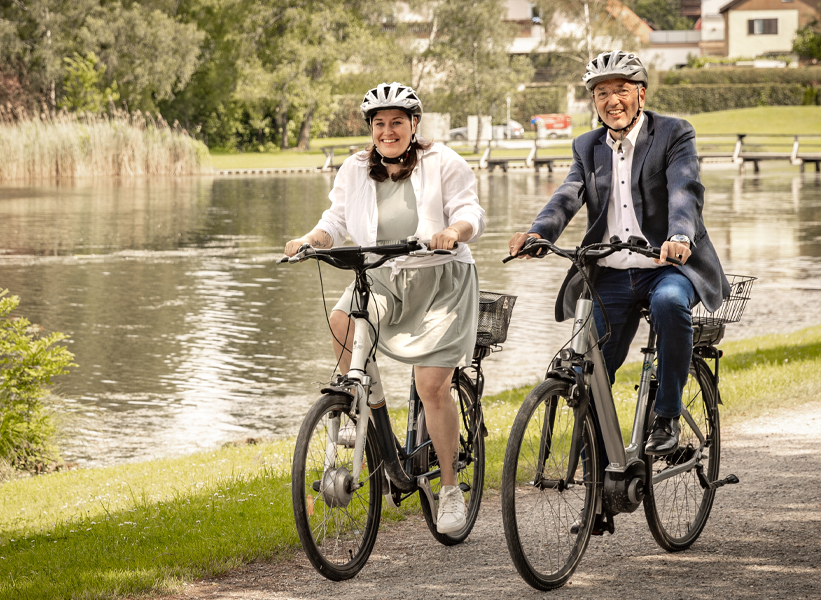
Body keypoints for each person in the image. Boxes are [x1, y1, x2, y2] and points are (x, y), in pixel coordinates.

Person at [509, 51, 730, 464]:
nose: (612, 100)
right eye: (602, 92)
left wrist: (680, 234)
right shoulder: (586, 146)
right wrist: (539, 232)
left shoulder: (673, 133)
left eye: (622, 90)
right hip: (611, 272)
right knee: (587, 372)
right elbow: (567, 195)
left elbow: (686, 189)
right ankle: (600, 476)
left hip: (667, 267)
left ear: (640, 95)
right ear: (594, 101)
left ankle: (665, 418)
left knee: (668, 303)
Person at [284, 82, 485, 535]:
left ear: (414, 124)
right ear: (371, 130)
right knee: (342, 321)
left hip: (441, 279)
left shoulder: (444, 161)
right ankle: (362, 410)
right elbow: (334, 221)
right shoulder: (356, 168)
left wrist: (454, 230)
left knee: (431, 386)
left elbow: (472, 211)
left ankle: (451, 490)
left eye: (397, 122)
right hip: (384, 274)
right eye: (379, 124)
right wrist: (310, 242)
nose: (388, 131)